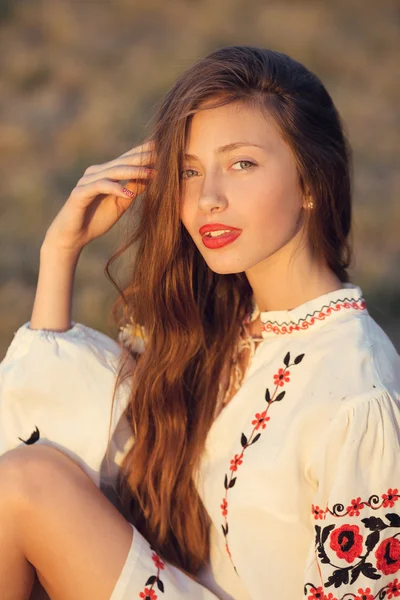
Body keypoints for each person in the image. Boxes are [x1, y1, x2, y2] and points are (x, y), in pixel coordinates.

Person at [0, 44, 399, 600]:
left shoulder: (359, 395)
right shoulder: (224, 328)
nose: (208, 197)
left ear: (312, 183)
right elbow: (58, 428)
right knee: (26, 478)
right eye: (189, 170)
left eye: (241, 164)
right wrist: (60, 253)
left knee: (23, 485)